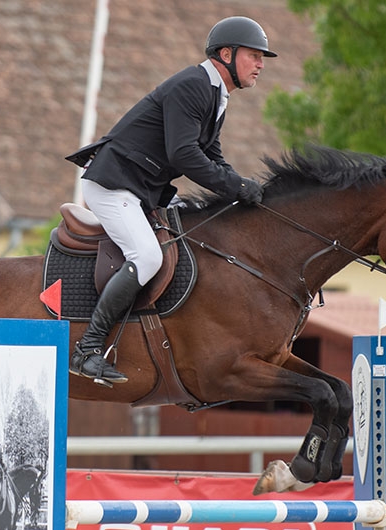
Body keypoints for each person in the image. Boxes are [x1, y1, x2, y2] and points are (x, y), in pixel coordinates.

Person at [65, 16, 275, 384]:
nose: (260, 64)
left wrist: (242, 188)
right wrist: (235, 186)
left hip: (138, 189)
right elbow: (184, 155)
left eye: (261, 58)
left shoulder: (215, 94)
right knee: (147, 256)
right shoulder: (193, 85)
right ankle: (87, 350)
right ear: (226, 55)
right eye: (254, 56)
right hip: (113, 185)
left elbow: (211, 156)